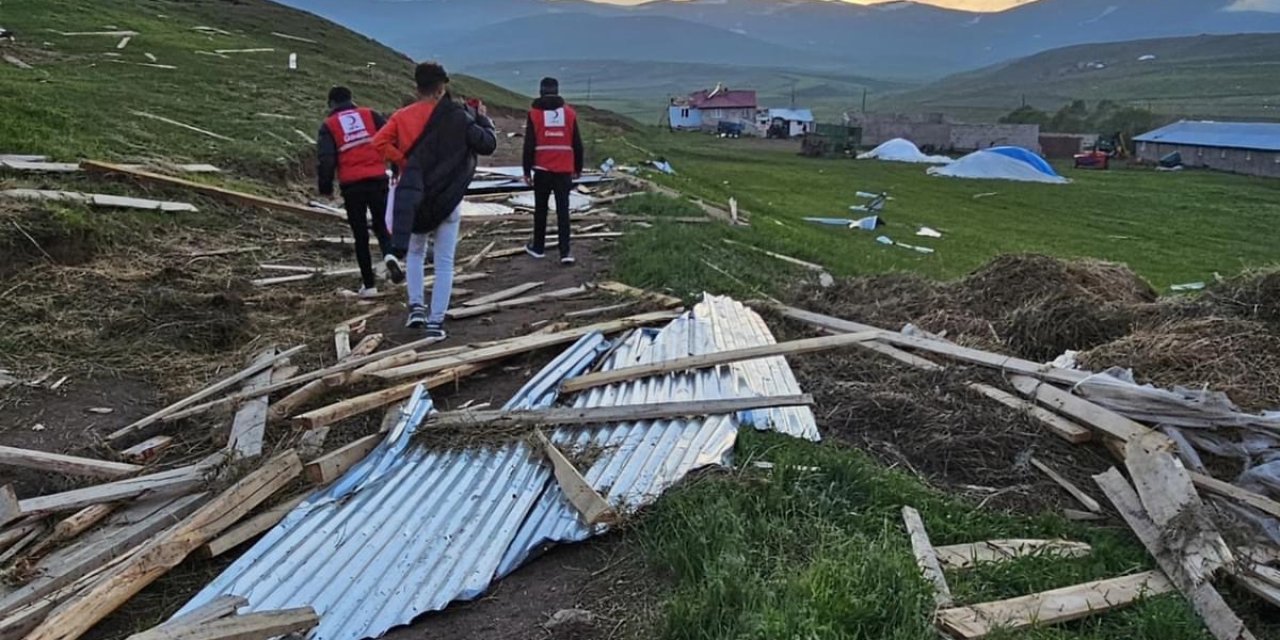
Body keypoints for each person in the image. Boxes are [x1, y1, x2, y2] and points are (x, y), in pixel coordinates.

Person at [374, 61, 496, 339]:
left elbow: (378, 144)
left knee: (415, 253)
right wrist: (481, 118)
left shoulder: (402, 116)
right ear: (442, 88)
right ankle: (435, 321)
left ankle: (416, 307)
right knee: (444, 262)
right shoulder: (458, 116)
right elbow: (487, 144)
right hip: (446, 199)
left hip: (415, 197)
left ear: (417, 88)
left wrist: (406, 162)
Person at [317, 86, 402, 297]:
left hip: (352, 185)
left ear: (331, 103)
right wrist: (396, 167)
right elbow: (391, 139)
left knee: (360, 234)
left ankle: (369, 285)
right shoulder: (370, 115)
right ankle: (390, 256)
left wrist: (326, 187)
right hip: (377, 178)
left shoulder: (329, 125)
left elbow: (326, 159)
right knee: (383, 225)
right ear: (350, 99)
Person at [523, 77, 584, 266]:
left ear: (540, 91)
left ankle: (538, 248)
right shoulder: (569, 114)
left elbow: (529, 145)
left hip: (542, 169)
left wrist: (526, 171)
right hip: (564, 169)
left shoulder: (534, 114)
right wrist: (578, 168)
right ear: (557, 91)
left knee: (540, 210)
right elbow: (577, 144)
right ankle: (565, 252)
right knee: (563, 211)